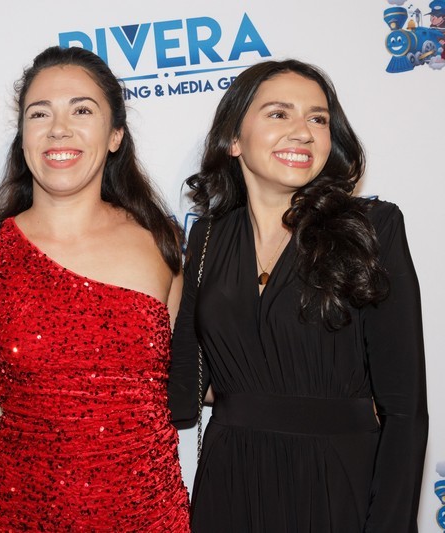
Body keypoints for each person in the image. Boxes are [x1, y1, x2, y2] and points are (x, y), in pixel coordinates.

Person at [0, 46, 190, 531]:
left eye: (82, 110)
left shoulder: (163, 247)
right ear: (23, 136)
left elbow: (183, 382)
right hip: (17, 516)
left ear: (115, 135)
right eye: (39, 113)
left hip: (147, 516)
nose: (59, 129)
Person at [169, 59, 428, 532]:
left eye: (318, 118)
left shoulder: (372, 227)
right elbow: (182, 388)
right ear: (233, 139)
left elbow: (404, 409)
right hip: (231, 484)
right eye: (279, 113)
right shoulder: (207, 238)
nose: (303, 132)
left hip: (338, 483)